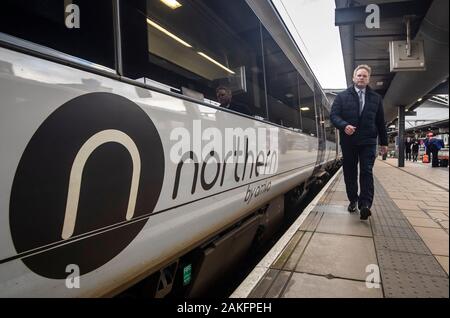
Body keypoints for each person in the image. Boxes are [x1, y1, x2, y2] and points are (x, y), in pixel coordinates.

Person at [330, 65, 388, 220]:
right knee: (350, 172)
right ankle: (353, 200)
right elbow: (334, 116)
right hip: (348, 141)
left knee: (366, 171)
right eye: (359, 75)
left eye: (365, 76)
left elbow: (381, 122)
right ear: (353, 78)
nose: (361, 78)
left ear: (369, 79)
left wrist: (384, 143)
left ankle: (365, 205)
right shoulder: (341, 96)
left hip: (368, 141)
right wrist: (344, 125)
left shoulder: (376, 98)